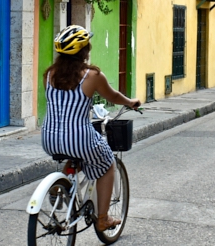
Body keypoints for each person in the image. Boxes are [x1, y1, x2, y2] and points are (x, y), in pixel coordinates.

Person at [42, 25, 141, 231]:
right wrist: (130, 102)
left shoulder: (49, 75)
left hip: (49, 138)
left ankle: (60, 186)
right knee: (107, 163)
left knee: (74, 152)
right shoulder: (92, 76)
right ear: (83, 51)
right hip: (79, 137)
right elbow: (113, 96)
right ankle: (103, 219)